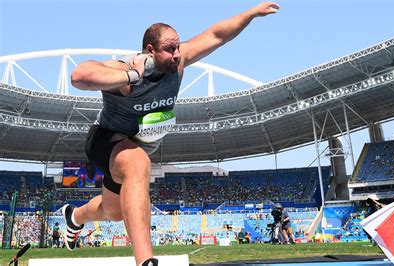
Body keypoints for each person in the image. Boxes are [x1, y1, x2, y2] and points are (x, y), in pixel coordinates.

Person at [62, 3, 280, 266]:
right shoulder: (124, 70)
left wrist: (251, 14)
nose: (178, 53)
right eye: (170, 48)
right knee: (139, 163)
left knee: (114, 211)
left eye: (178, 46)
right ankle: (146, 261)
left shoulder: (178, 62)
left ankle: (74, 217)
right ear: (150, 51)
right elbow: (79, 75)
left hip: (131, 148)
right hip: (106, 141)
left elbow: (216, 35)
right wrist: (130, 75)